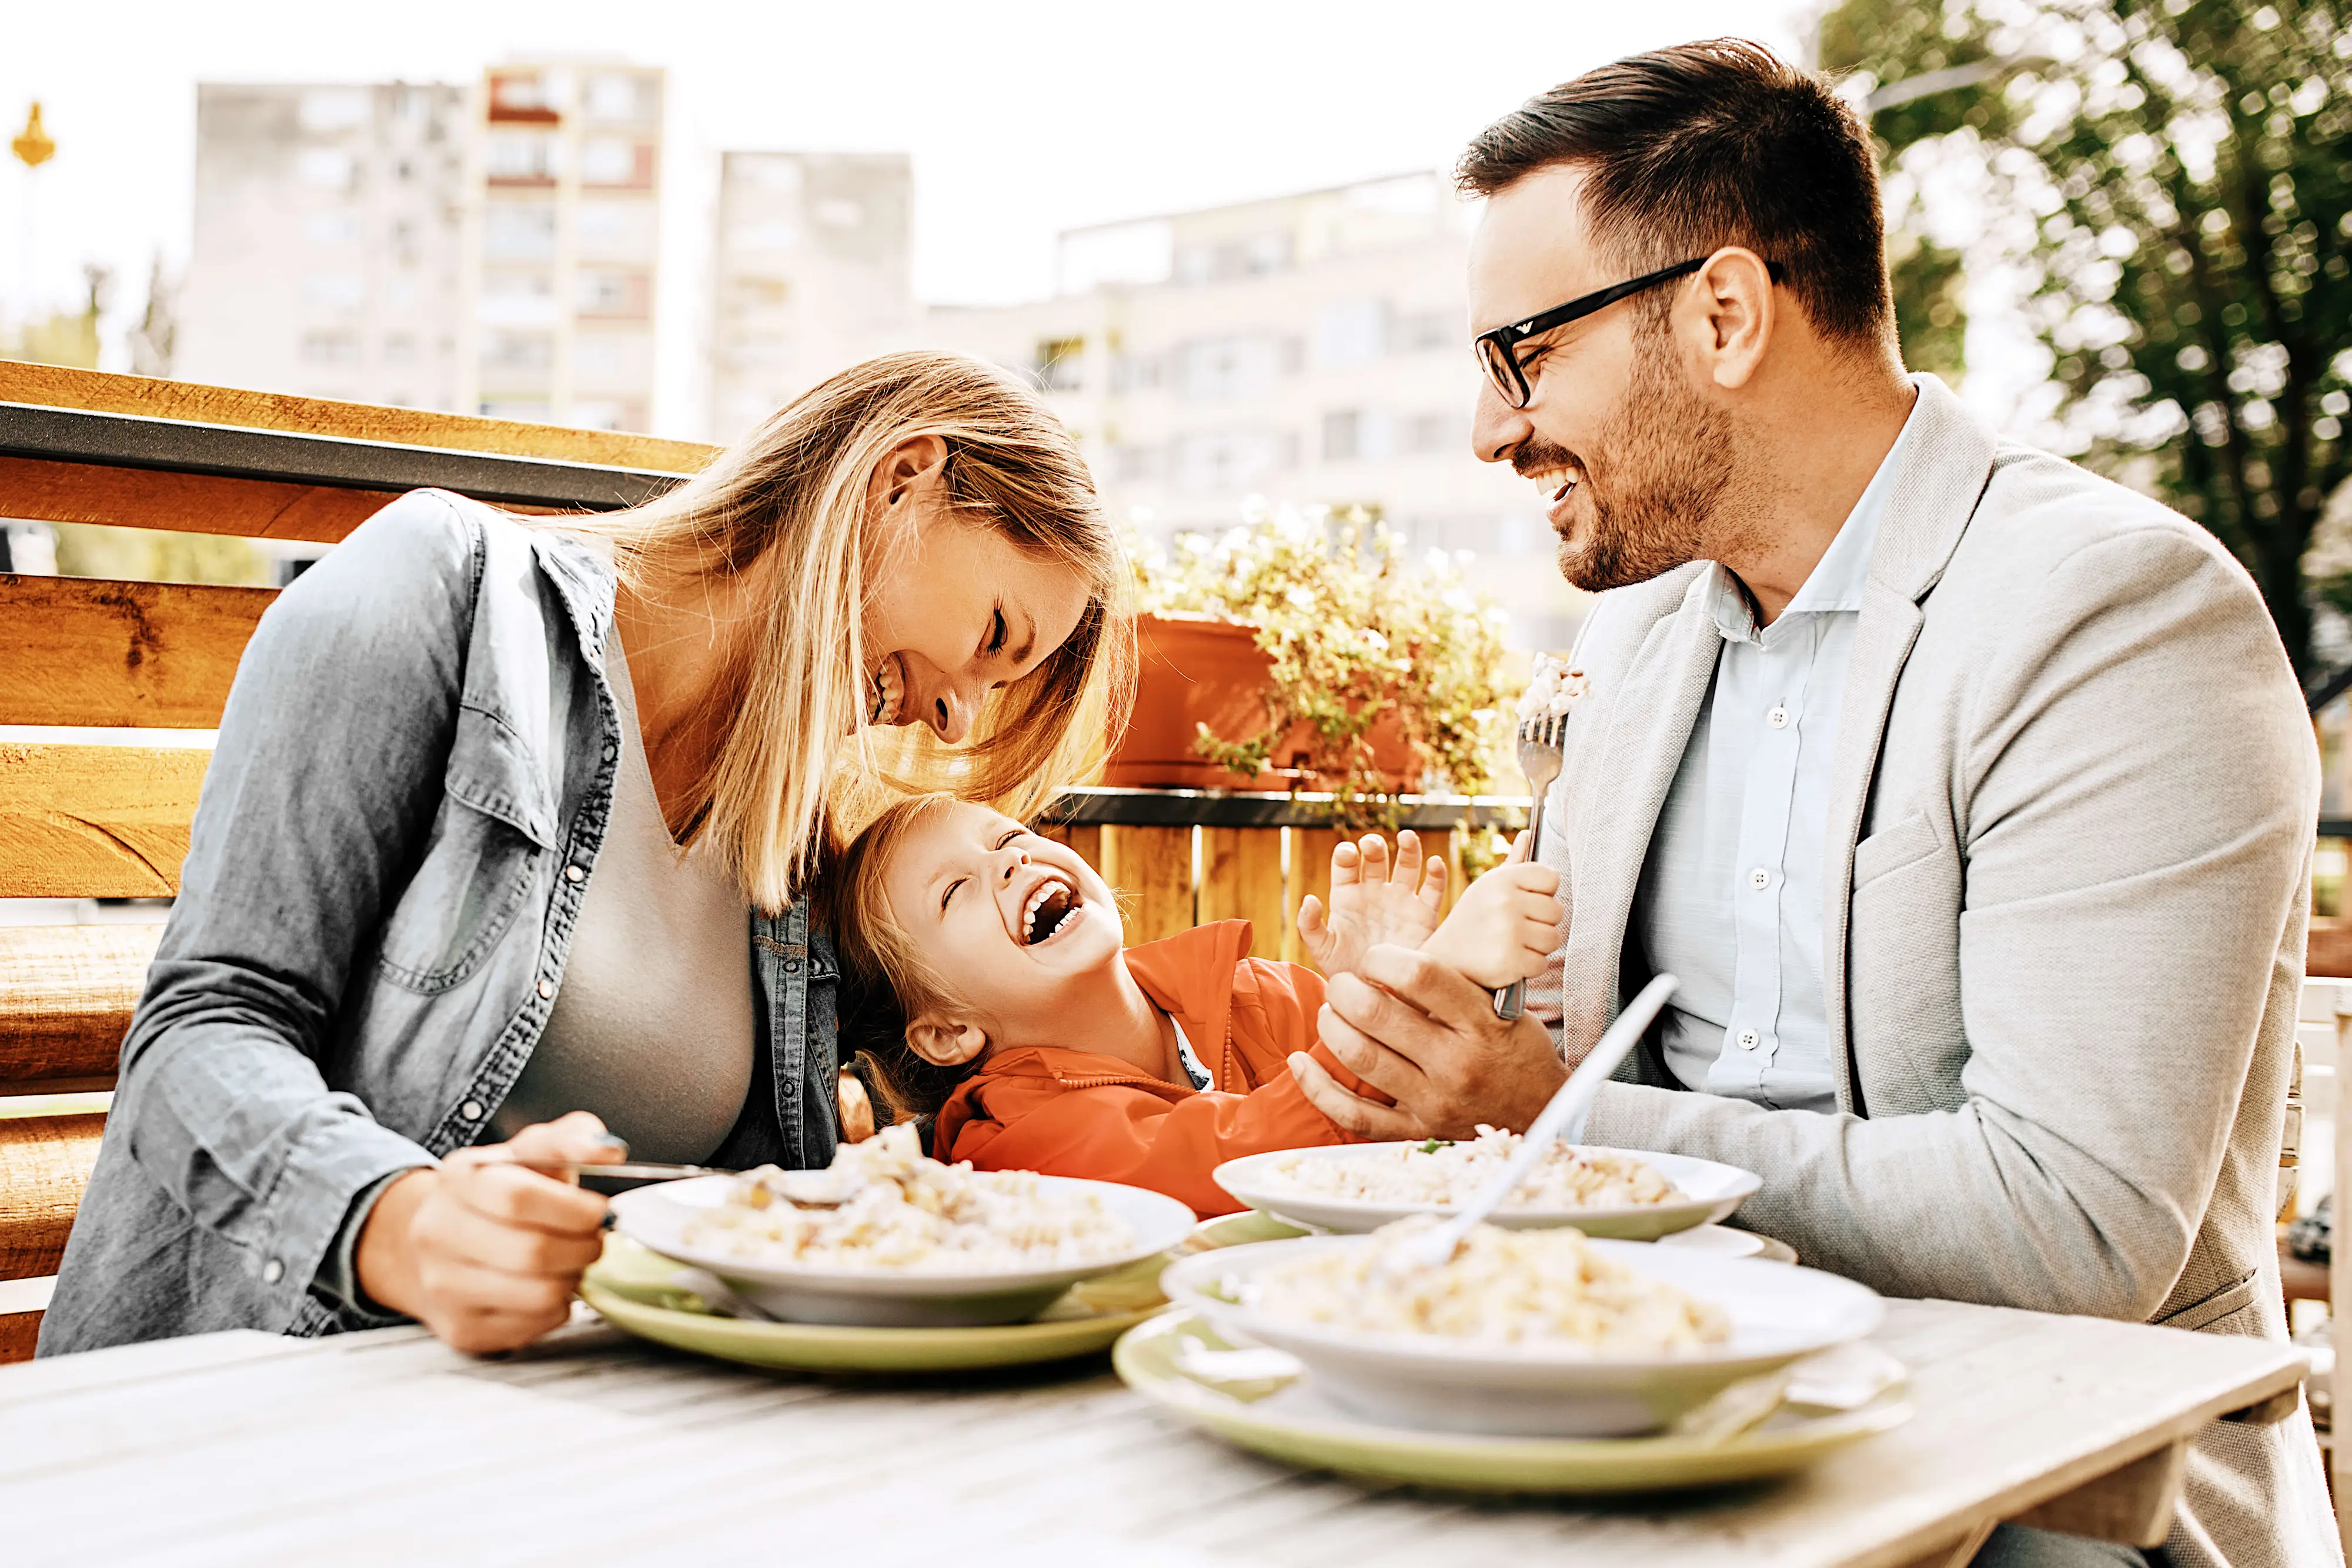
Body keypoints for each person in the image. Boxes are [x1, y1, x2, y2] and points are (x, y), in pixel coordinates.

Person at [1287, 41, 2335, 1568]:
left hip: (2053, 1491)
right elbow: (1554, 1070)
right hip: (1641, 1434)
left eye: (1523, 358)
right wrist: (1436, 1046)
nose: (1490, 432)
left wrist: (1549, 1116)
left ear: (1723, 315)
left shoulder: (2118, 617)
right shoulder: (1637, 645)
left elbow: (2075, 1231)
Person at [42, 352, 1130, 1359]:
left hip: (591, 1434)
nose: (952, 718)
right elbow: (202, 1030)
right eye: (994, 640)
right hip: (278, 1398)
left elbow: (996, 1054)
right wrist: (399, 1222)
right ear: (902, 478)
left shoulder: (789, 840)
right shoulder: (448, 594)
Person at [824, 795, 1560, 1215]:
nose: (1011, 859)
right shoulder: (1016, 1139)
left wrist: (1381, 988)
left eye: (1010, 836)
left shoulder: (1261, 993)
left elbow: (1439, 1119)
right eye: (954, 892)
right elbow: (1237, 1159)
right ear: (949, 1032)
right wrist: (1411, 987)